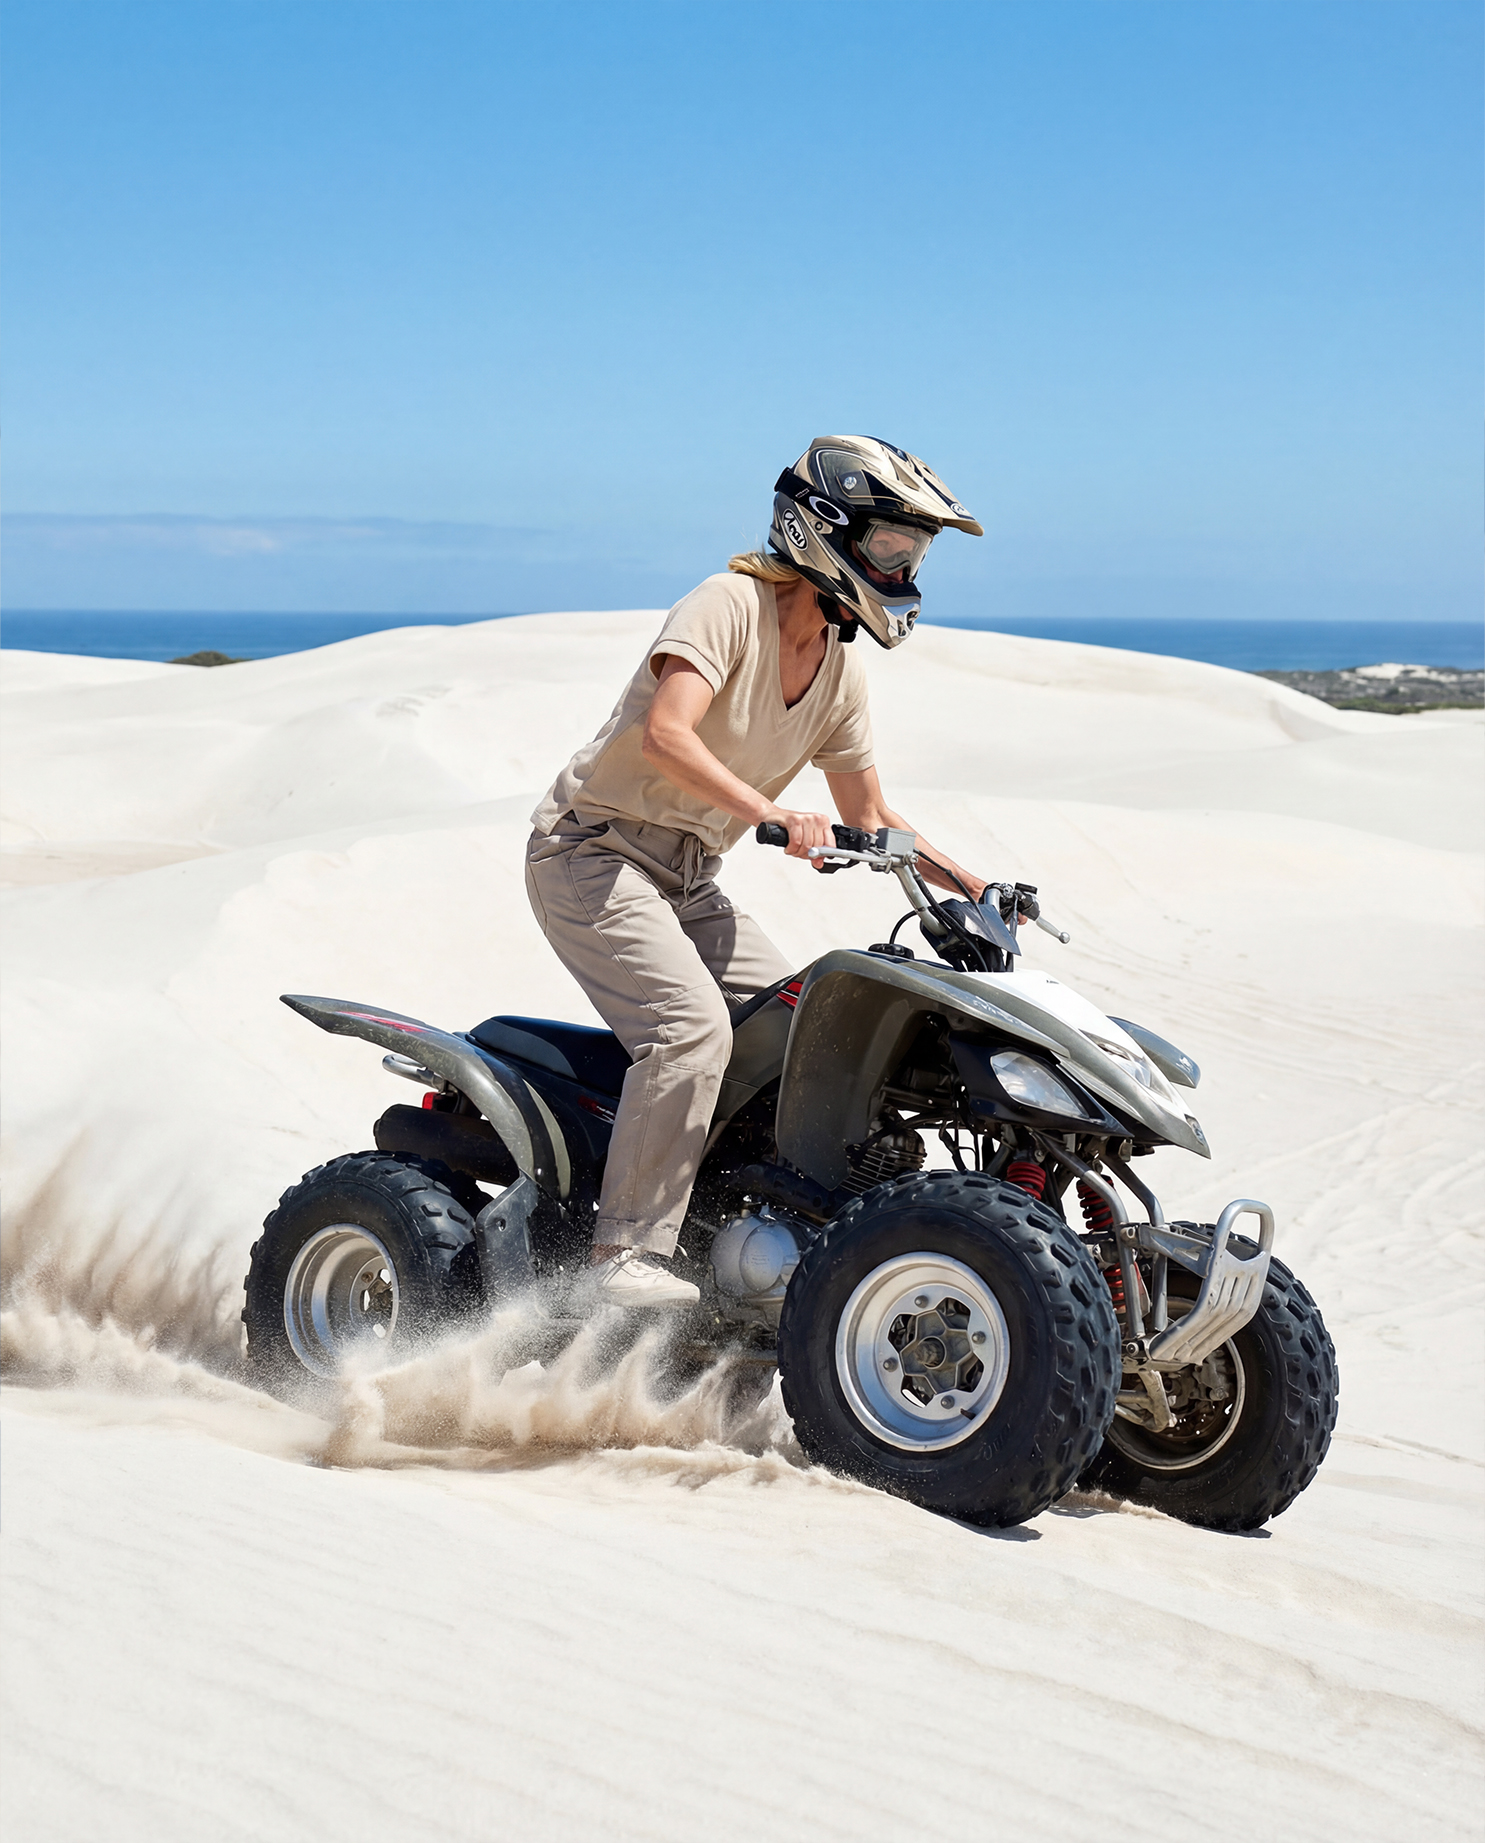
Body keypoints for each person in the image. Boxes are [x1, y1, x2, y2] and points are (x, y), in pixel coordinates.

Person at [526, 435, 988, 1307]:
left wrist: (971, 886)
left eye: (915, 554)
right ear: (826, 529)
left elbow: (870, 815)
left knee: (805, 1033)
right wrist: (769, 812)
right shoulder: (727, 605)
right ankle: (619, 1252)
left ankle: (739, 1225)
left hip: (687, 878)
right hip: (591, 853)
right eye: (892, 544)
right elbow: (667, 734)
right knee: (689, 1028)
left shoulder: (839, 672)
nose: (904, 568)